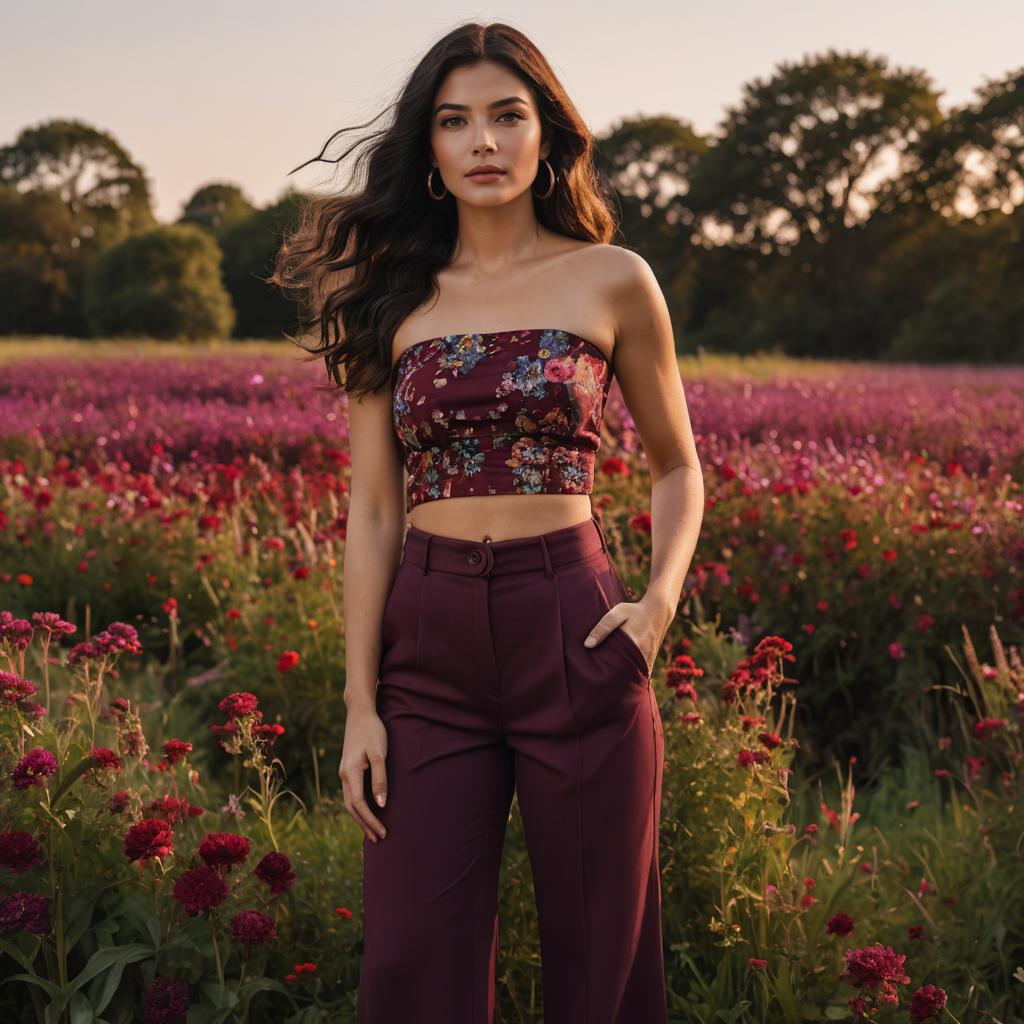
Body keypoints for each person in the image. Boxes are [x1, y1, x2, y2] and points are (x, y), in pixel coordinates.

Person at [273, 20, 703, 1024]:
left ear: (546, 133)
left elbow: (678, 464)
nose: (482, 143)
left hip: (575, 621)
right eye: (454, 121)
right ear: (427, 148)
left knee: (603, 960)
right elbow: (374, 508)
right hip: (428, 647)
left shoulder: (613, 279)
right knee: (411, 963)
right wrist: (359, 702)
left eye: (507, 117)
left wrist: (657, 605)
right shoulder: (393, 301)